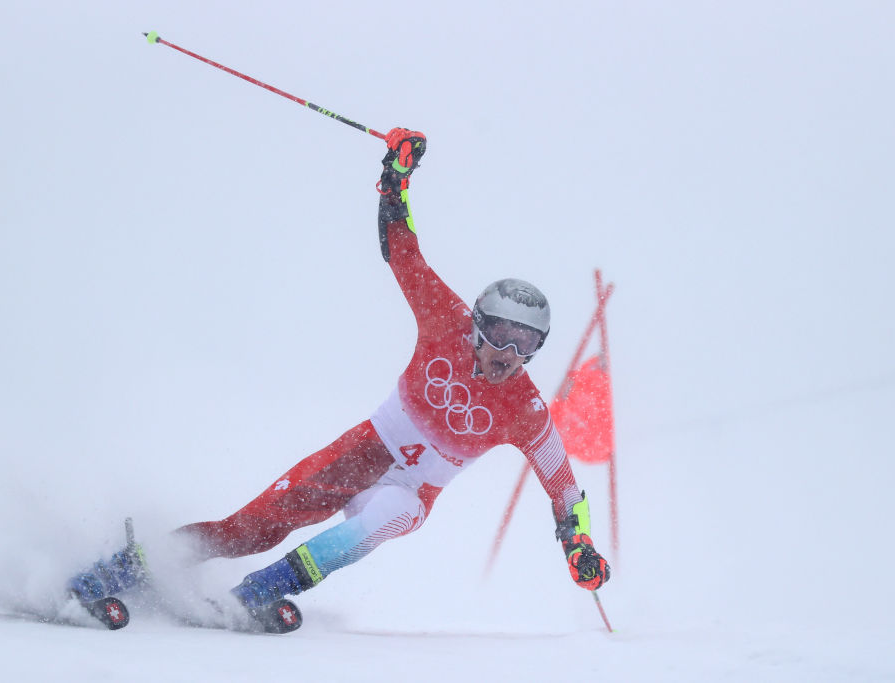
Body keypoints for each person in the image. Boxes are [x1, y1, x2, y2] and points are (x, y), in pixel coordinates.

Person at [68, 128, 610, 631]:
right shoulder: (444, 320)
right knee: (250, 528)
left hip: (412, 490)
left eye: (527, 343)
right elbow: (403, 253)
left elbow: (563, 485)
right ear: (475, 323)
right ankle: (119, 572)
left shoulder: (526, 408)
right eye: (499, 333)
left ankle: (261, 590)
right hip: (368, 448)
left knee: (386, 519)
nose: (509, 353)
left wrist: (577, 544)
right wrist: (395, 180)